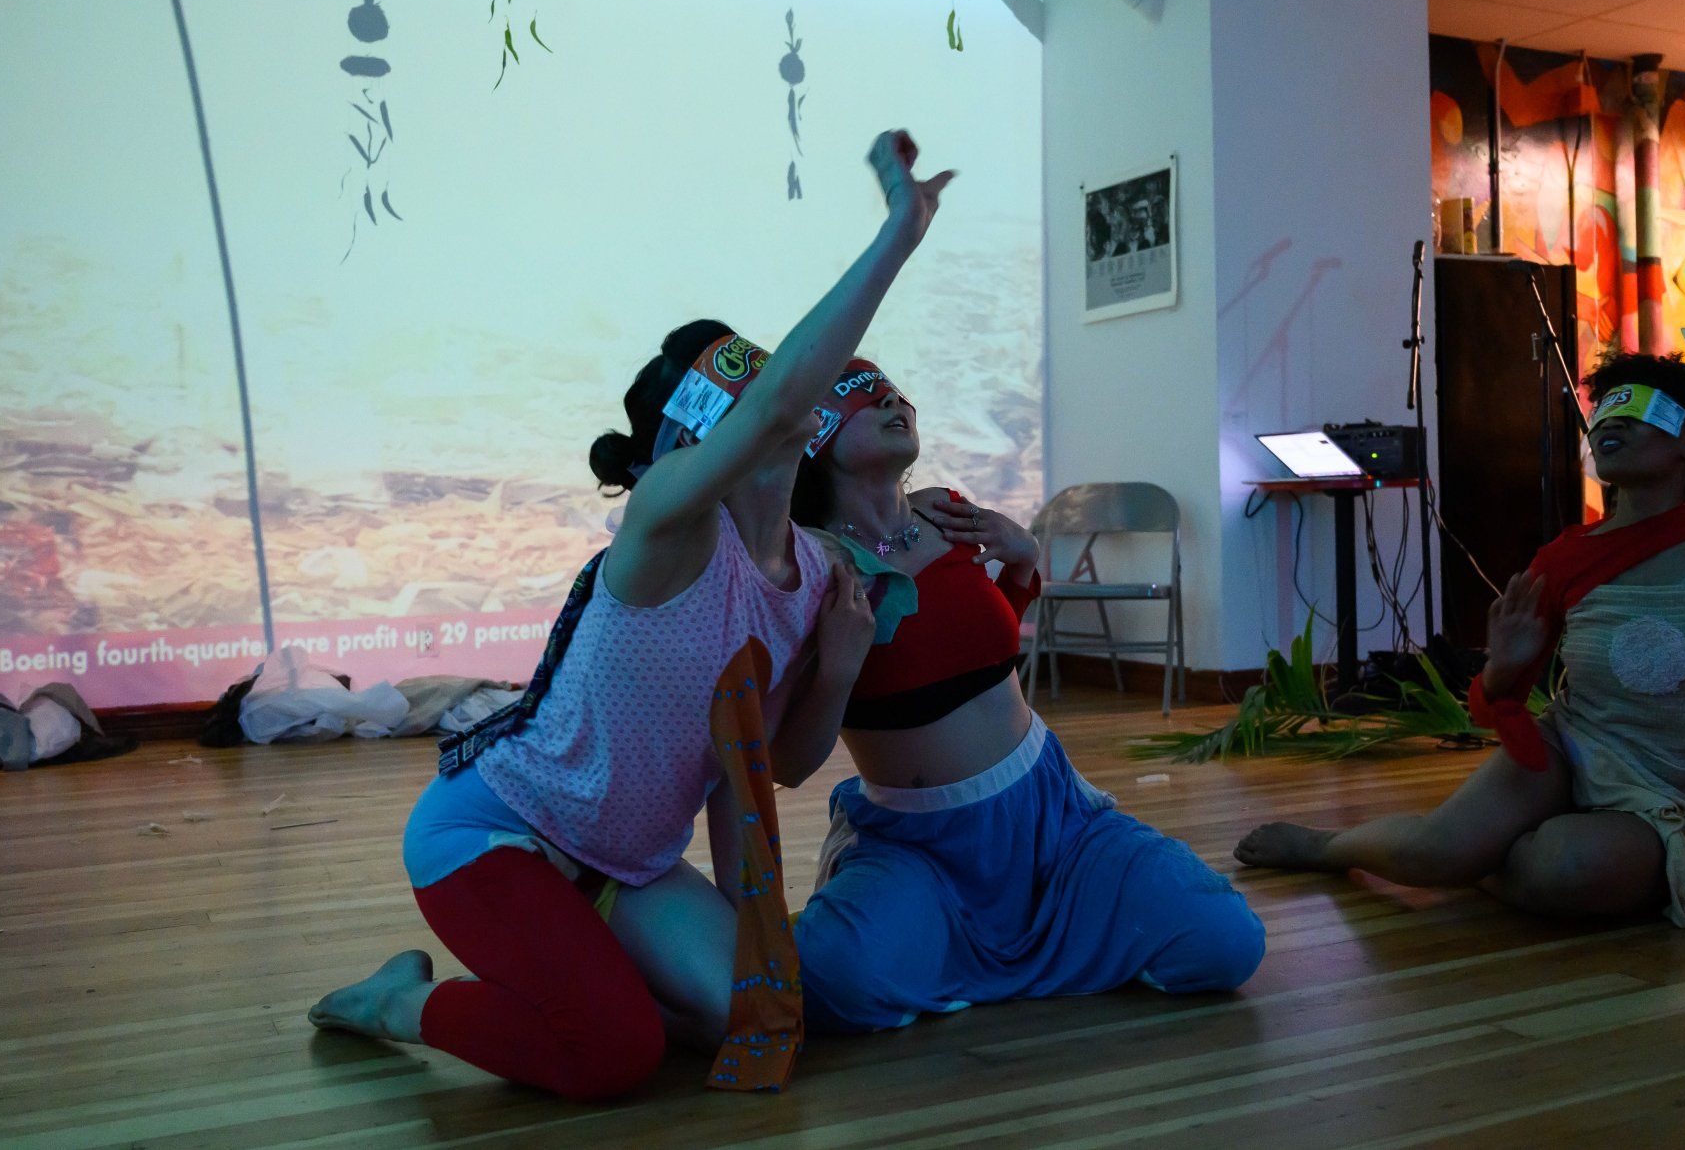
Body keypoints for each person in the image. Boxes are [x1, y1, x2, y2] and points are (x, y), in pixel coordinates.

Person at [307, 131, 953, 1100]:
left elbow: (775, 764)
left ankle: (573, 970)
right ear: (703, 436)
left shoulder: (816, 574)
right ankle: (400, 1001)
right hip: (496, 835)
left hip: (625, 867)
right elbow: (777, 409)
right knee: (613, 1052)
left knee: (755, 1010)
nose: (781, 404)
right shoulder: (669, 527)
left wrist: (842, 666)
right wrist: (899, 234)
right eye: (753, 392)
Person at [1236, 352, 1685, 928]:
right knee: (1438, 851)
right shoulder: (1565, 557)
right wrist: (1502, 669)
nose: (1611, 423)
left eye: (1638, 413)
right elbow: (1497, 700)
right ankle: (1336, 847)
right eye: (1603, 413)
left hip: (1674, 788)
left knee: (1568, 867)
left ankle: (1477, 855)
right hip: (1567, 749)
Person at [787, 360, 1265, 1032]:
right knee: (830, 973)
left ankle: (964, 961)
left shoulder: (945, 513)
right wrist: (837, 671)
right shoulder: (814, 564)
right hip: (917, 846)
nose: (893, 400)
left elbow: (975, 653)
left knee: (1227, 942)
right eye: (865, 394)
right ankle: (933, 931)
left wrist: (1022, 559)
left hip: (1051, 822)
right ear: (814, 434)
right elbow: (790, 760)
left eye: (895, 390)